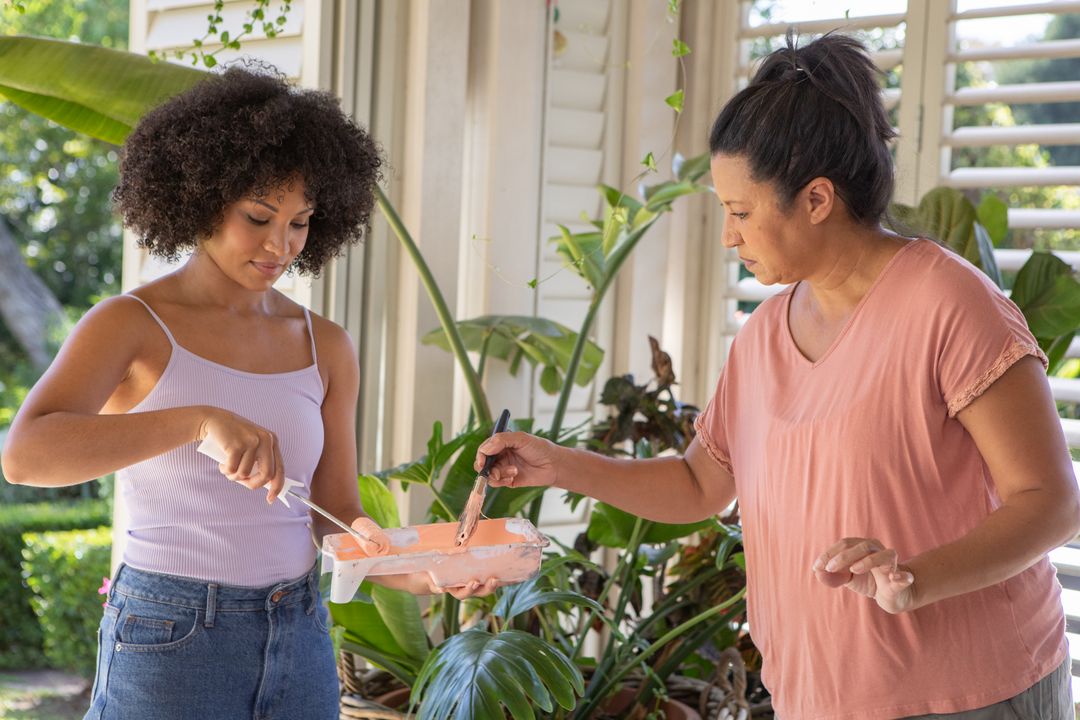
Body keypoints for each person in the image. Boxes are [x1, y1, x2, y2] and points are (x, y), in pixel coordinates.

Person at [475, 33, 1080, 719]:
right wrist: (558, 465)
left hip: (971, 695)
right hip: (814, 700)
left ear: (817, 198)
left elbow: (1051, 500)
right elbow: (702, 482)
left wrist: (917, 578)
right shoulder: (764, 334)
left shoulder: (951, 304)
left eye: (741, 212)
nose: (729, 236)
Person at [1, 65, 492, 720]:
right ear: (200, 197)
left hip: (299, 631)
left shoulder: (326, 346)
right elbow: (25, 455)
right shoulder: (129, 324)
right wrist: (199, 421)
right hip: (170, 637)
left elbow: (333, 510)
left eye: (301, 222)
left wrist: (417, 567)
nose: (279, 245)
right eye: (259, 216)